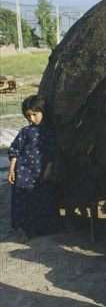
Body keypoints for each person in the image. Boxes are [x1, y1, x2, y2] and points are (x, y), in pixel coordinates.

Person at [8, 95, 59, 243]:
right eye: (28, 116)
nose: (31, 119)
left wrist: (48, 169)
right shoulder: (24, 132)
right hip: (23, 172)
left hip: (40, 172)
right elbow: (15, 151)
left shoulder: (49, 132)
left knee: (42, 199)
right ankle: (25, 232)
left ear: (43, 111)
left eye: (34, 114)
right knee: (22, 201)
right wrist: (11, 171)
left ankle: (41, 228)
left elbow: (52, 152)